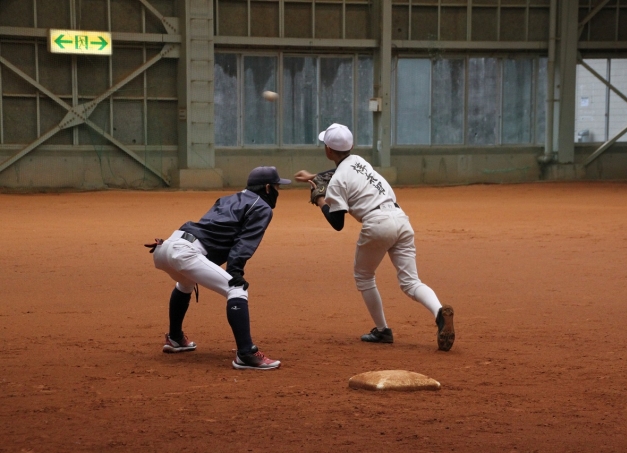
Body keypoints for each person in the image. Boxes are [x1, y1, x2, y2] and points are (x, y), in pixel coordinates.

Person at [294, 123, 455, 351]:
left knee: (364, 276)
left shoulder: (337, 182)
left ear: (328, 150)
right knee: (411, 282)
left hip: (378, 224)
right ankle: (439, 312)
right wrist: (314, 177)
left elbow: (337, 223)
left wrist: (320, 199)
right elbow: (340, 172)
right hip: (401, 219)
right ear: (350, 146)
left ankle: (382, 330)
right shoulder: (359, 161)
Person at [145, 166, 291, 370]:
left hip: (166, 246)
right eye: (277, 187)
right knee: (236, 289)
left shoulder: (227, 199)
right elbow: (245, 240)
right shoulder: (261, 207)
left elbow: (210, 229)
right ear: (267, 188)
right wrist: (235, 270)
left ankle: (175, 338)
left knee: (185, 283)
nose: (278, 191)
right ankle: (246, 353)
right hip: (185, 252)